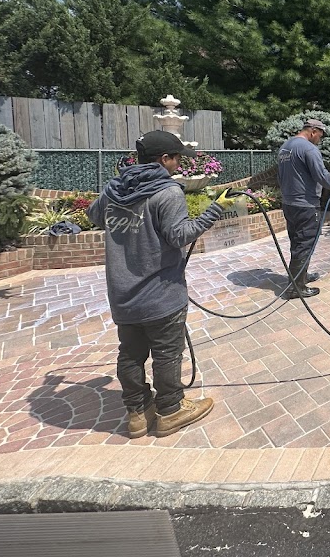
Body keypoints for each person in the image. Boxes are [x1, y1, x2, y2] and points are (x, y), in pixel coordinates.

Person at [86, 130, 230, 439]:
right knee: (166, 354)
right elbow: (179, 236)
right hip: (161, 294)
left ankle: (138, 414)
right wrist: (215, 209)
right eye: (177, 158)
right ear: (164, 159)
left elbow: (94, 216)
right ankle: (170, 410)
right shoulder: (167, 192)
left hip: (123, 295)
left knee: (131, 354)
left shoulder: (115, 188)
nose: (179, 164)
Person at [277, 118, 330, 298]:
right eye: (320, 135)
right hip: (306, 205)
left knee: (297, 242)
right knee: (305, 244)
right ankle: (296, 288)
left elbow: (280, 176)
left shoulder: (285, 148)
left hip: (289, 204)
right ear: (313, 131)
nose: (320, 139)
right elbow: (321, 175)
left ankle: (301, 276)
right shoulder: (309, 149)